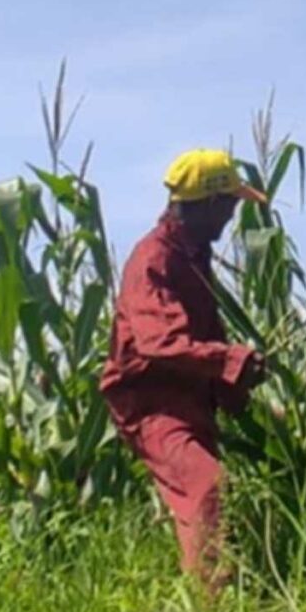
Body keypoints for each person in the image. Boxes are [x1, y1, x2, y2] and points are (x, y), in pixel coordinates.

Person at [100, 148, 268, 587]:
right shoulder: (154, 259)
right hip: (153, 405)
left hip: (185, 401)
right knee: (207, 487)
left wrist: (237, 385)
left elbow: (203, 336)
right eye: (230, 204)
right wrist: (231, 360)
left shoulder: (191, 254)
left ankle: (208, 600)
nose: (232, 216)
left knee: (204, 496)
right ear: (209, 204)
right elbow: (159, 344)